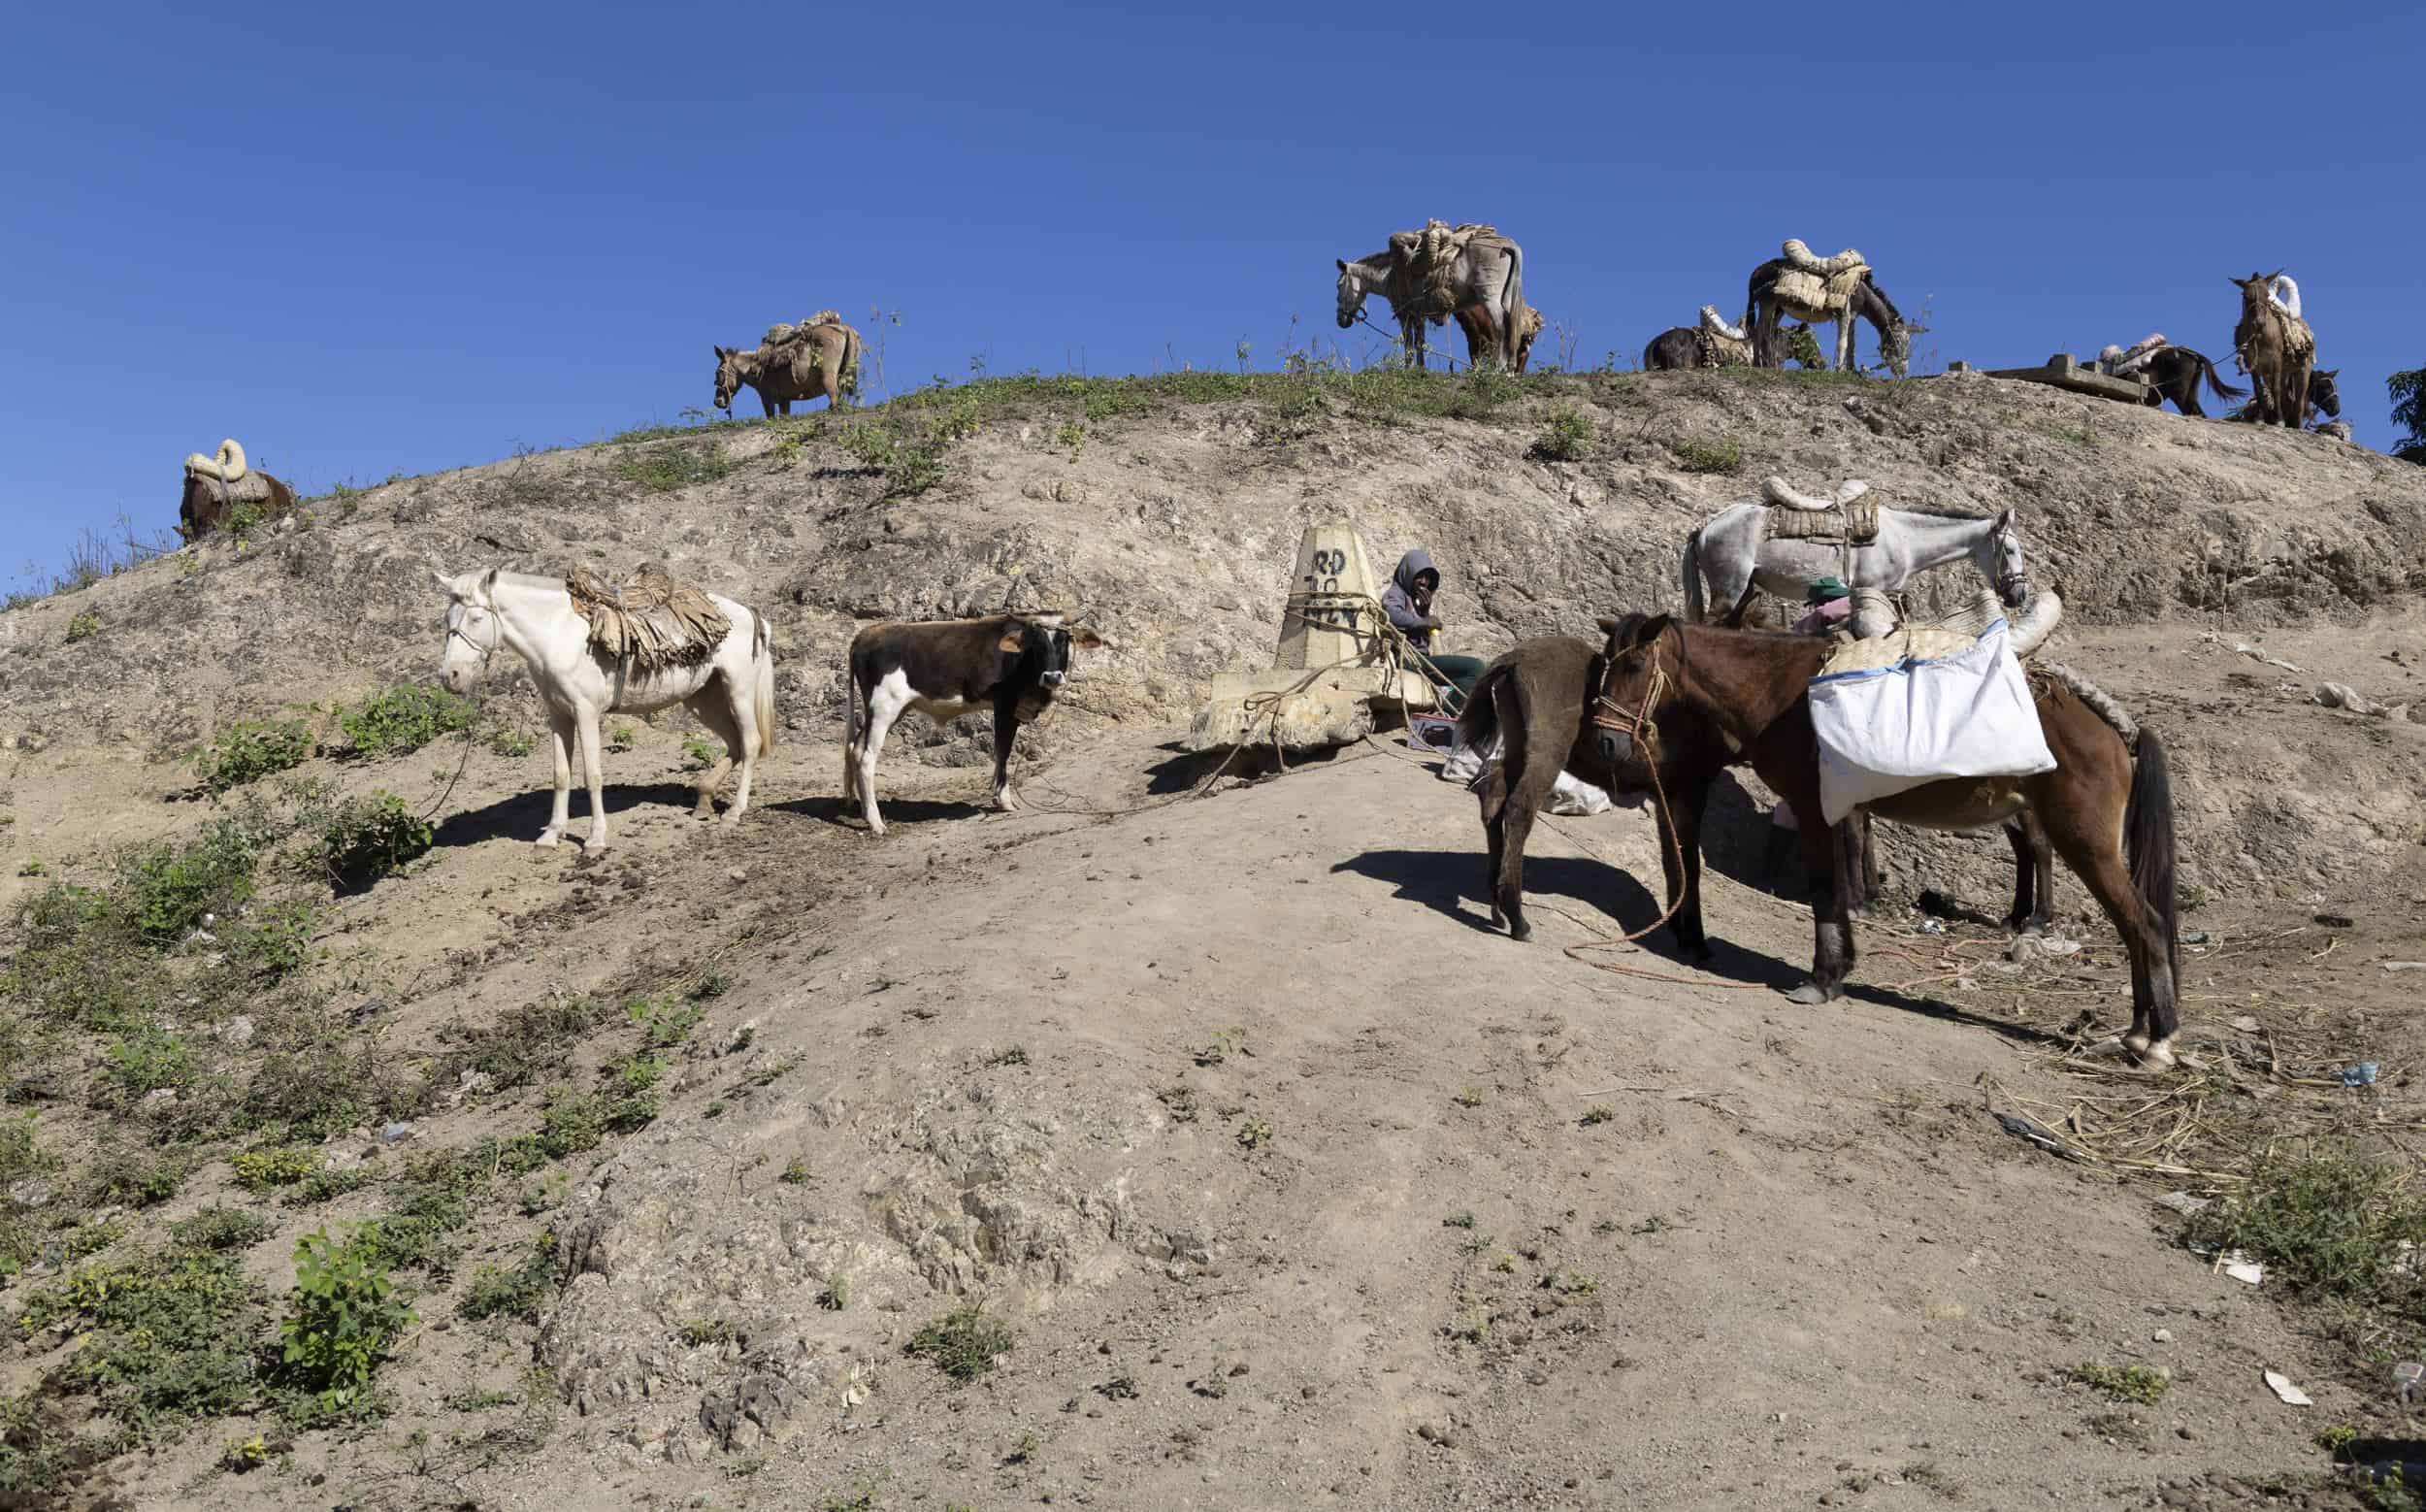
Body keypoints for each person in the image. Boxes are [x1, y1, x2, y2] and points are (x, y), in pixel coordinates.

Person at [1381, 549, 1488, 712]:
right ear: (1408, 573)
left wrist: (1424, 611)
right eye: (1419, 576)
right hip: (1408, 660)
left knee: (1467, 678)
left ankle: (1446, 709)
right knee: (1475, 668)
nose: (1424, 582)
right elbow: (1390, 615)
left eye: (1428, 578)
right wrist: (1423, 621)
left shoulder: (1413, 599)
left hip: (1421, 659)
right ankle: (1444, 713)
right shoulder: (1396, 593)